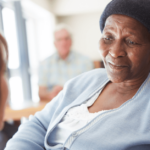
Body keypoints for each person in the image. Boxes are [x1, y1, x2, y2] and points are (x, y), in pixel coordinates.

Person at [5, 0, 150, 149]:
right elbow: (39, 124)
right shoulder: (87, 80)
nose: (114, 51)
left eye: (131, 41)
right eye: (108, 37)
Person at [38, 24, 94, 101]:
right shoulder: (44, 63)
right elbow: (41, 93)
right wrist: (51, 94)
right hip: (54, 106)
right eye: (59, 39)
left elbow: (91, 89)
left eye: (66, 38)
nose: (63, 43)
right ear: (54, 43)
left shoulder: (85, 61)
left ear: (71, 41)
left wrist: (68, 92)